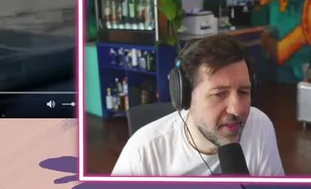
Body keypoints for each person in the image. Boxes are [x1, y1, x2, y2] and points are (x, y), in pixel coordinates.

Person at [112, 34, 284, 177]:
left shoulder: (259, 125)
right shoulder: (142, 154)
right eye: (219, 94)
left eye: (244, 92)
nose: (237, 109)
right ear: (186, 97)